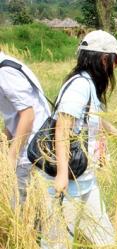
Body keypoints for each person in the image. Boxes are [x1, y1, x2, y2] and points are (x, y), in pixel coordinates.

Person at [38, 31, 117, 249]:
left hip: (84, 180)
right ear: (103, 60)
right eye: (114, 61)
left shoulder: (88, 84)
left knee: (107, 240)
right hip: (68, 183)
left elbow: (94, 117)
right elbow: (62, 127)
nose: (115, 68)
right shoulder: (80, 84)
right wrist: (60, 176)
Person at [0, 50, 50, 205]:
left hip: (30, 153)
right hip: (36, 146)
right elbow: (16, 117)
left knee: (20, 211)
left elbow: (28, 116)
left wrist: (11, 157)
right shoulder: (8, 65)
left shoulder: (5, 72)